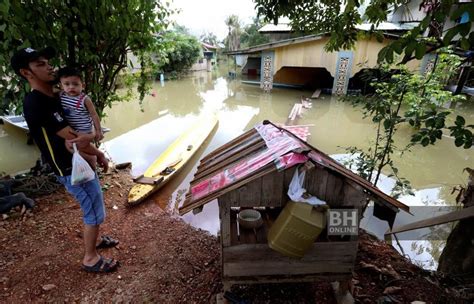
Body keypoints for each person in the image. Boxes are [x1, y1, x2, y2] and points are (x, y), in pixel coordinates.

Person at [10, 47, 119, 273]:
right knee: (93, 210)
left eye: (48, 61)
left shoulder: (58, 96)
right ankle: (90, 258)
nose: (49, 66)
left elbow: (79, 134)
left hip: (80, 160)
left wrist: (90, 146)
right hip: (69, 168)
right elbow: (75, 138)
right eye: (40, 64)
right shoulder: (37, 103)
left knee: (95, 202)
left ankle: (95, 240)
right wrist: (97, 151)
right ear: (25, 73)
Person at [57, 67, 103, 168]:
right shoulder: (61, 95)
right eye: (67, 84)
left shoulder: (84, 99)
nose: (71, 87)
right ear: (61, 86)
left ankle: (92, 160)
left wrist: (99, 130)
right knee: (71, 146)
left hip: (84, 129)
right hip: (72, 128)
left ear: (83, 85)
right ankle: (91, 159)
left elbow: (94, 114)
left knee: (75, 146)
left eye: (75, 84)